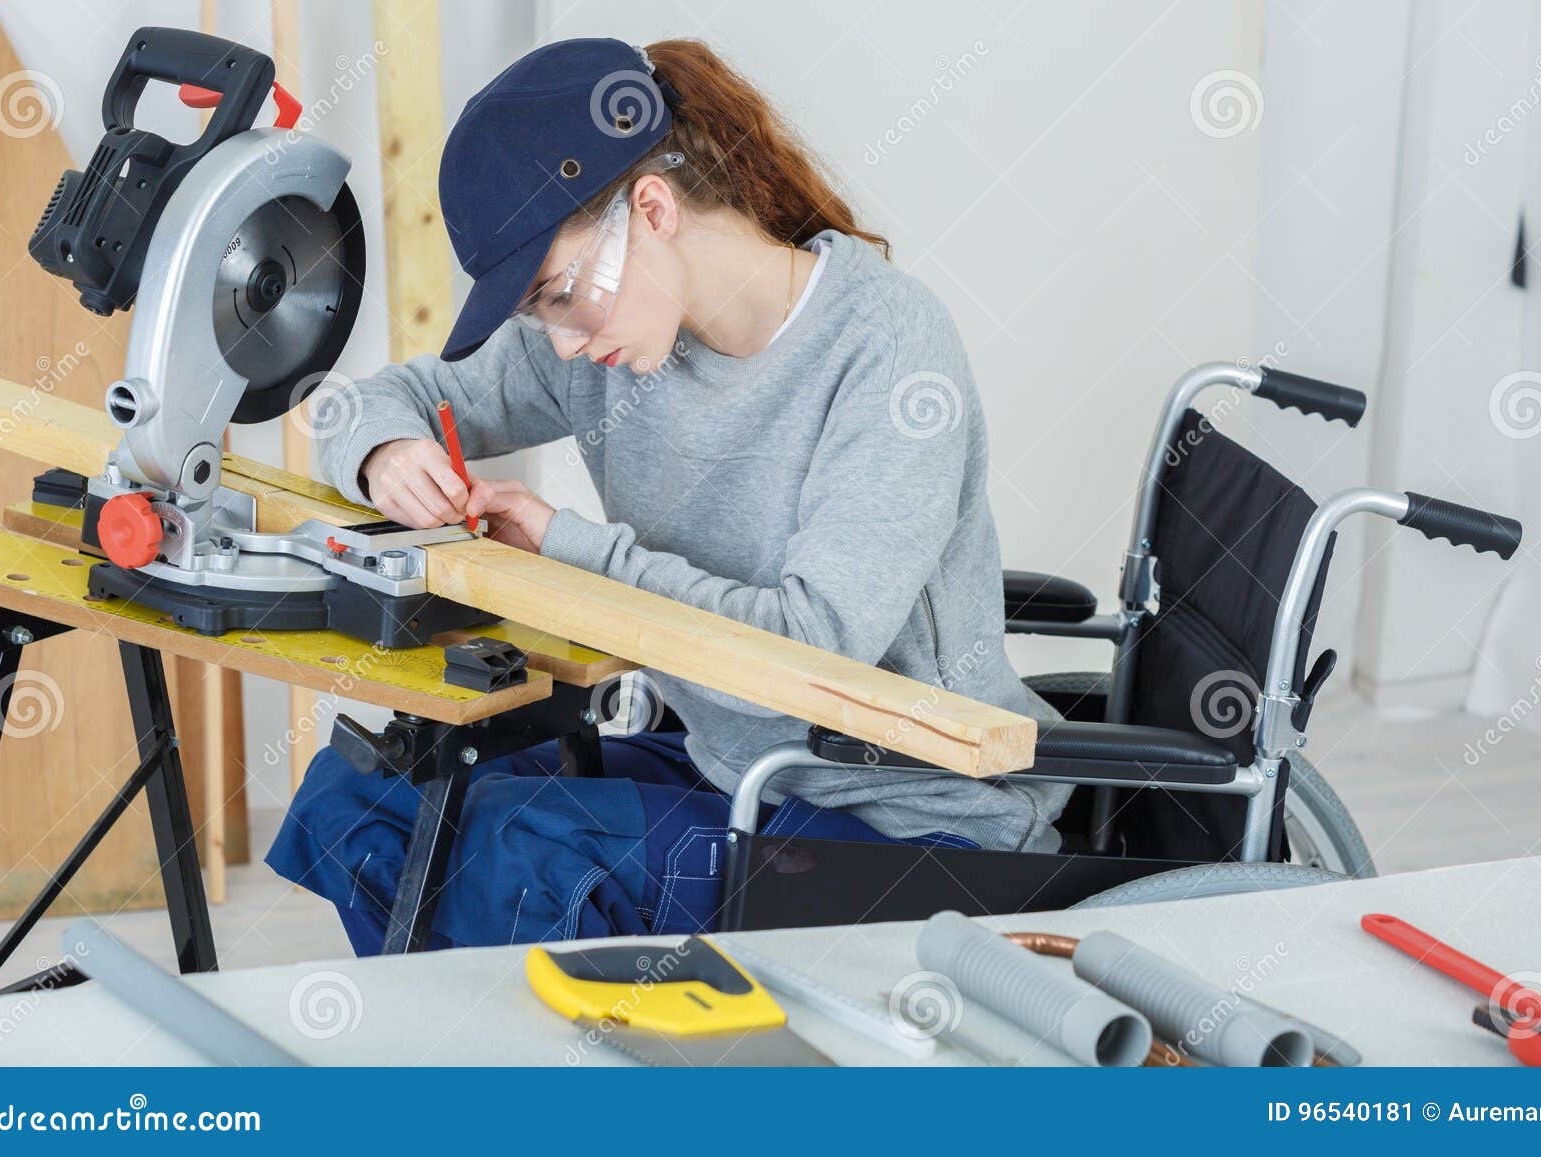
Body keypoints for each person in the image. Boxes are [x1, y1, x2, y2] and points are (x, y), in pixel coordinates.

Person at [266, 37, 1066, 952]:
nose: (560, 343)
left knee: (518, 849)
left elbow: (807, 662)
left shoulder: (885, 349)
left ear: (652, 208)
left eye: (556, 295)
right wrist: (386, 453)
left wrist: (571, 547)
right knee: (361, 802)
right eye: (537, 313)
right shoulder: (610, 337)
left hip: (902, 815)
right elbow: (364, 402)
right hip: (732, 766)